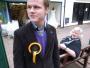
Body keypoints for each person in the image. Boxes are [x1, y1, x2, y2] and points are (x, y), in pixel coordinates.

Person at [13, 0, 60, 68]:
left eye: (36, 7)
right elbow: (18, 62)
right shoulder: (19, 33)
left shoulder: (52, 30)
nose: (31, 11)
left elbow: (55, 54)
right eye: (29, 7)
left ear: (46, 10)